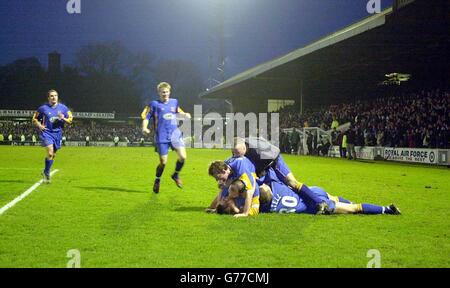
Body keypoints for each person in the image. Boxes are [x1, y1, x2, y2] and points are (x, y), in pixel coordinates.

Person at [232, 137, 329, 214]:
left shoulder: (257, 148)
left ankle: (320, 202)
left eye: (240, 153)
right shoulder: (240, 150)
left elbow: (273, 156)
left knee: (292, 183)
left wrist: (260, 172)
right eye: (235, 154)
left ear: (245, 146)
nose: (239, 156)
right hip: (264, 165)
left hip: (275, 161)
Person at [141, 82, 191, 193]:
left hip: (175, 135)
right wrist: (144, 127)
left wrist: (185, 114)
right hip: (161, 136)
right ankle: (157, 180)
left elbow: (179, 111)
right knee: (163, 162)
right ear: (159, 92)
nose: (165, 94)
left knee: (183, 157)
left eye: (167, 92)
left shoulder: (174, 102)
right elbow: (146, 117)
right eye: (163, 92)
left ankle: (175, 175)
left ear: (169, 92)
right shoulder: (154, 104)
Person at [32, 89, 73, 183]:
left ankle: (46, 171)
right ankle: (47, 173)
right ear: (48, 98)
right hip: (46, 133)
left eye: (55, 95)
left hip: (57, 134)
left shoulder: (64, 108)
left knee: (53, 155)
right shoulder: (43, 108)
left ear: (58, 97)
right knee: (50, 153)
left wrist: (64, 118)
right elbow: (34, 119)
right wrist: (39, 125)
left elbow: (70, 120)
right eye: (51, 96)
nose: (54, 97)